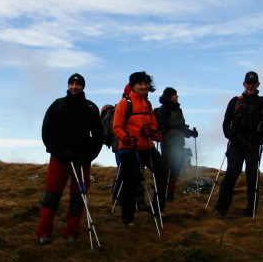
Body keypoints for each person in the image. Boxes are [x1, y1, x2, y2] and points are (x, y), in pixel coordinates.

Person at [35, 73, 103, 245]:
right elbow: (47, 131)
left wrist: (89, 155)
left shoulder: (91, 107)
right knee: (51, 194)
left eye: (78, 84)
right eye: (71, 83)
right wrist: (57, 151)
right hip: (60, 158)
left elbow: (98, 135)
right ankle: (43, 232)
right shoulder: (58, 105)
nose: (74, 86)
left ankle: (71, 231)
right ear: (68, 85)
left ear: (83, 86)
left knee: (78, 196)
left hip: (82, 159)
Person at [214, 71, 263, 217]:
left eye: (253, 83)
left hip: (254, 144)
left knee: (252, 176)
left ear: (258, 85)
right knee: (232, 174)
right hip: (236, 143)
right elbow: (226, 122)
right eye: (248, 83)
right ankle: (221, 209)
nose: (251, 85)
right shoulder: (235, 101)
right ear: (244, 84)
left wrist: (261, 139)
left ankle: (251, 210)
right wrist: (229, 135)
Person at [112, 72, 167, 225]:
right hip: (129, 149)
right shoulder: (125, 103)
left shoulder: (148, 104)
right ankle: (128, 218)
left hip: (147, 147)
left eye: (145, 83)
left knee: (162, 173)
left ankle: (157, 209)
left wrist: (153, 132)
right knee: (131, 181)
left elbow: (154, 125)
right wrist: (126, 138)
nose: (143, 86)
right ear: (133, 86)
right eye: (140, 83)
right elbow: (116, 127)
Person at [155, 87, 197, 200]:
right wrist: (165, 139)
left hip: (178, 144)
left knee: (176, 169)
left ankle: (170, 194)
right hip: (168, 144)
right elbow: (161, 127)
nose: (177, 96)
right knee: (167, 170)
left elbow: (181, 126)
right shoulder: (164, 109)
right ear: (169, 96)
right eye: (175, 95)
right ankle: (164, 195)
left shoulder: (178, 110)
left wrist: (191, 133)